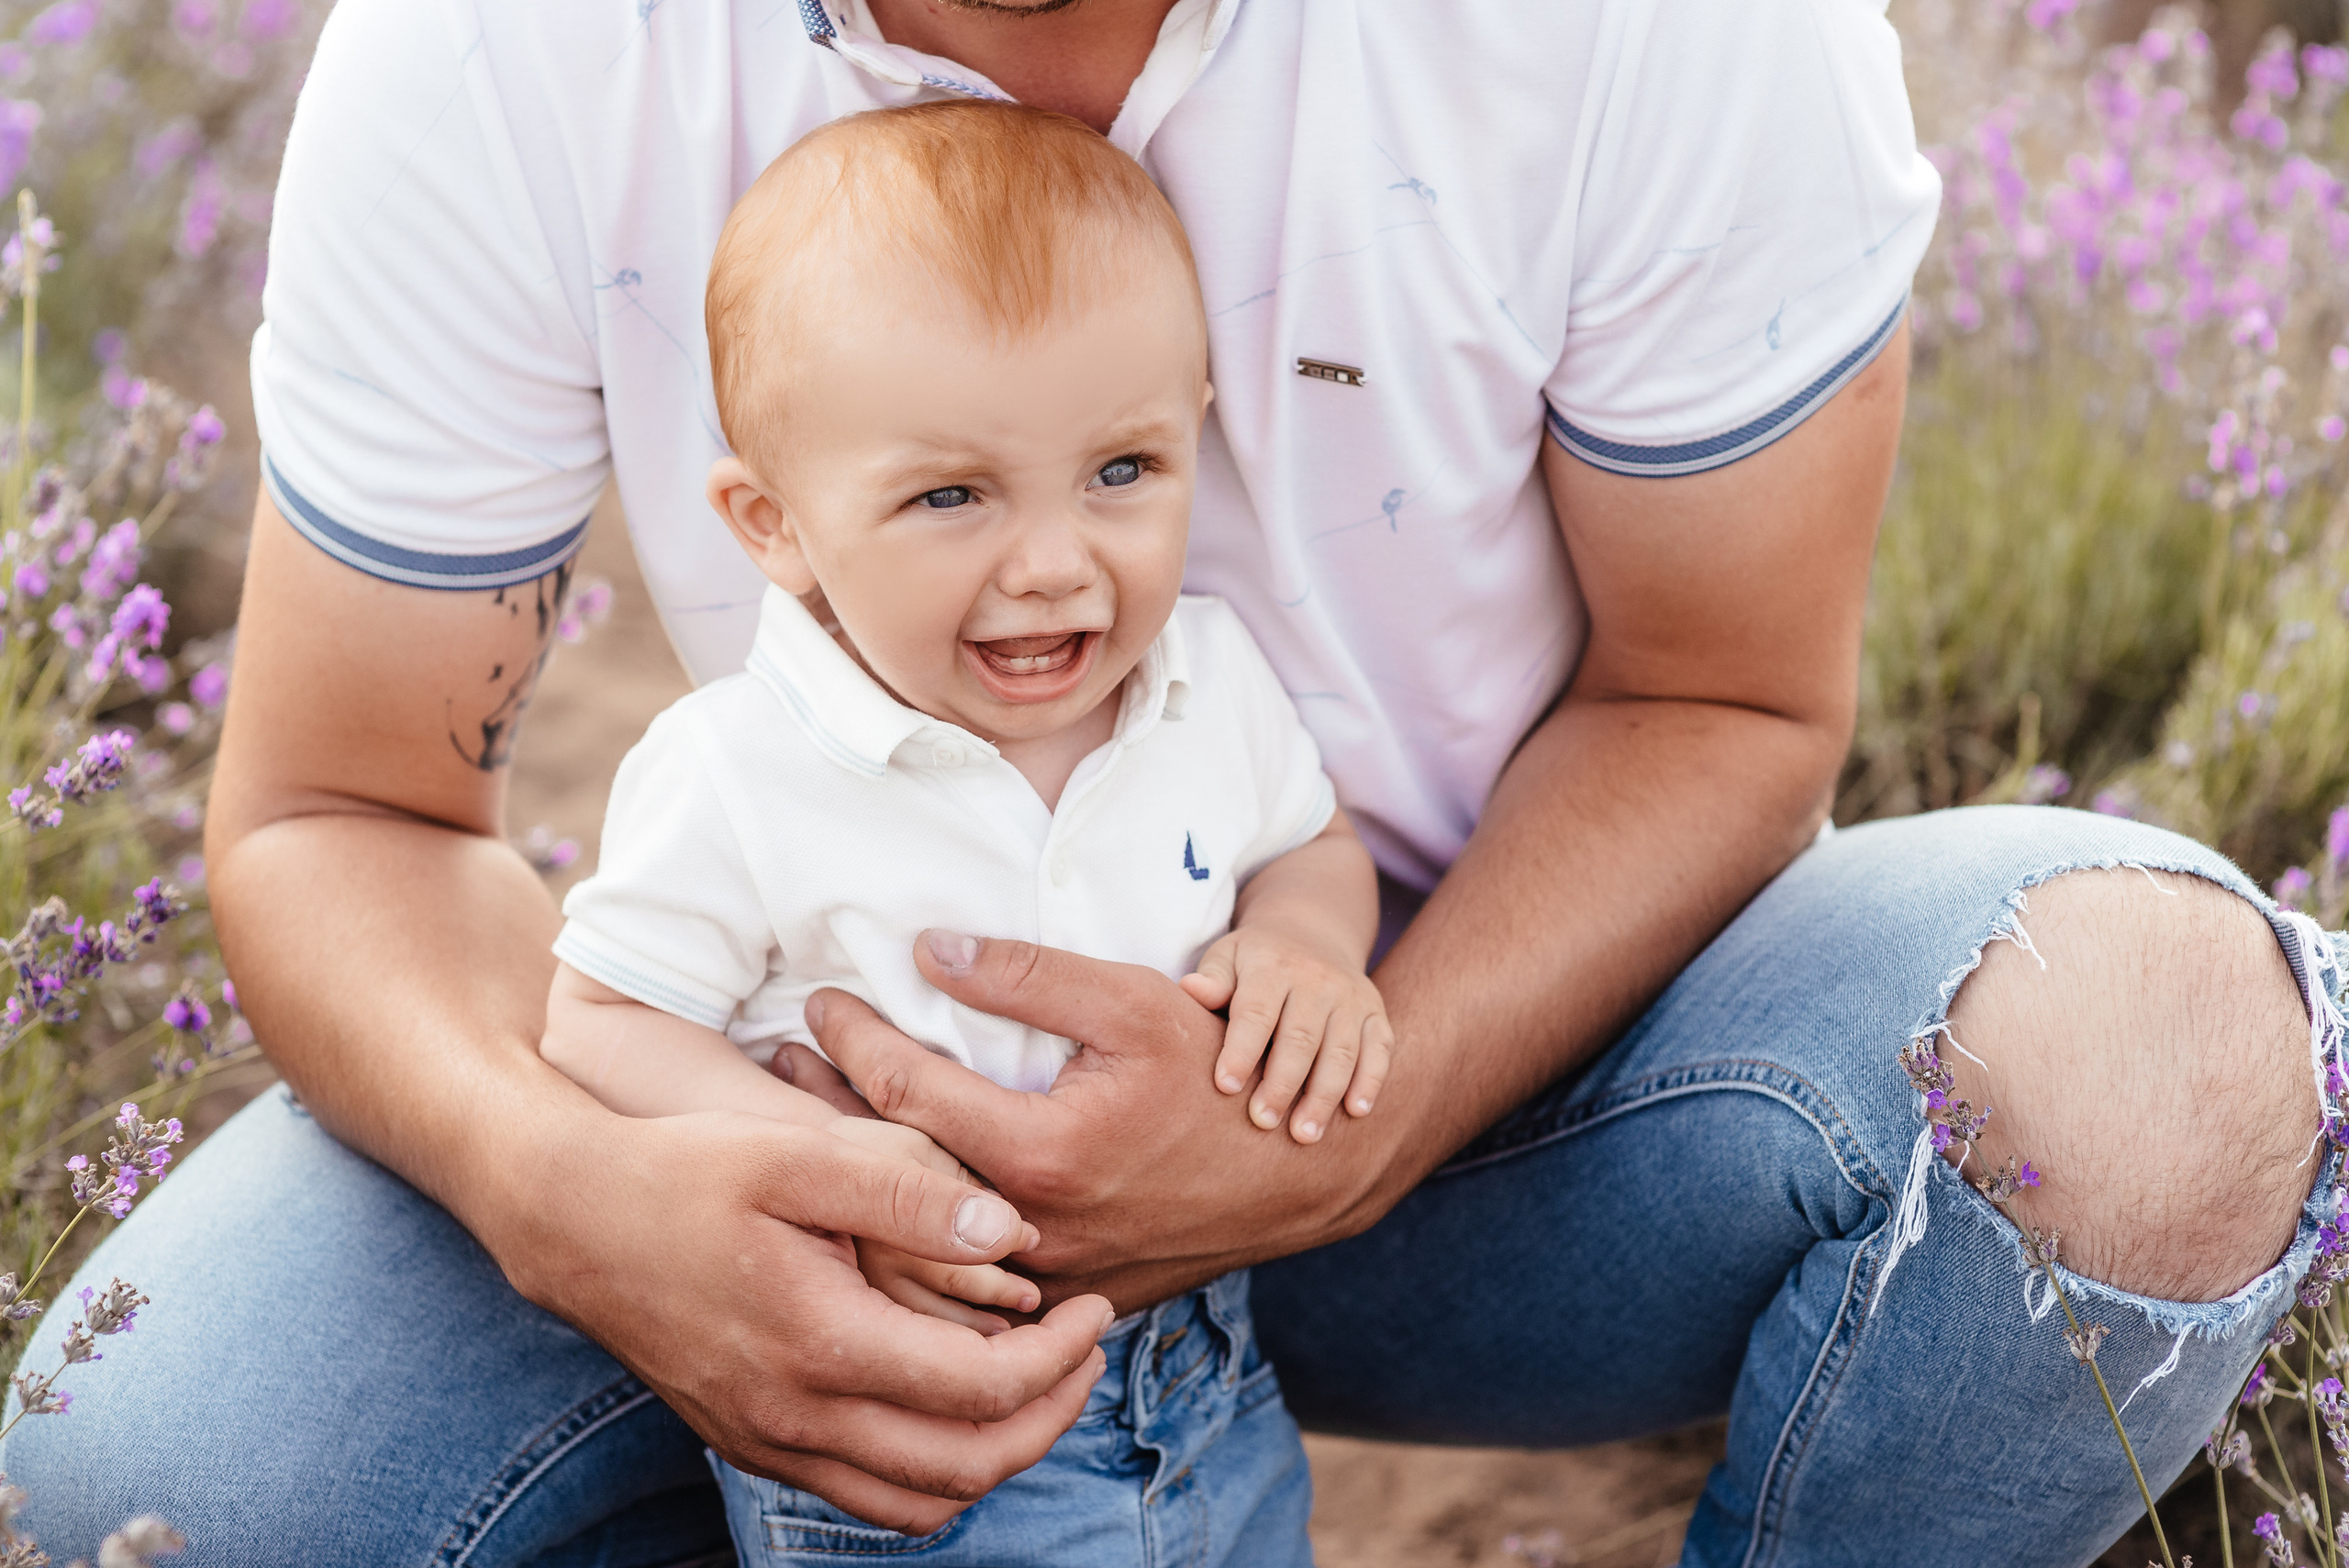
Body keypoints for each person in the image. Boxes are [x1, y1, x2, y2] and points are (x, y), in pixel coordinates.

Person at [6, 0, 2334, 1562]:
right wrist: (578, 1193)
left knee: (2164, 1060)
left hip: (1525, 1095)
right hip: (887, 1200)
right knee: (177, 1469)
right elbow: (339, 810)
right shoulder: (498, 52)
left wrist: (1366, 1075)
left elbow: (1722, 702)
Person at [539, 101, 1386, 1563]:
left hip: (1209, 1366)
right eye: (949, 495)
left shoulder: (1205, 676)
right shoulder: (739, 766)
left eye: (1122, 472)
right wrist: (828, 1162)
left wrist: (1307, 945)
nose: (1056, 564)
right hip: (907, 1395)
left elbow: (1308, 840)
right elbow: (604, 1018)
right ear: (775, 524)